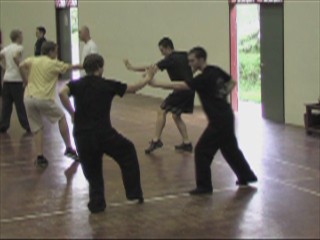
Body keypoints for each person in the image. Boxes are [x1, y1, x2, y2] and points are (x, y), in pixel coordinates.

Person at [148, 47, 257, 195]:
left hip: (218, 120)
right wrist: (222, 94)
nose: (190, 64)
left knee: (201, 151)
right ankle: (246, 176)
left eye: (192, 61)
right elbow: (231, 82)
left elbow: (181, 86)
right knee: (230, 149)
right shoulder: (215, 70)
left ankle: (204, 186)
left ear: (201, 60)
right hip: (226, 115)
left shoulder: (203, 78)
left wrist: (155, 84)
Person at [59, 54, 156, 214]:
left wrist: (72, 113)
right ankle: (134, 193)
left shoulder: (76, 84)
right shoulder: (107, 85)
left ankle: (97, 204)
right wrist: (148, 77)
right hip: (104, 134)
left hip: (82, 135)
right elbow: (133, 88)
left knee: (93, 170)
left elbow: (62, 93)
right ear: (100, 68)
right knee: (127, 151)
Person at [124, 37, 195, 154]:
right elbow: (151, 66)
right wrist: (132, 68)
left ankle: (156, 140)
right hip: (189, 90)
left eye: (162, 50)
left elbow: (151, 68)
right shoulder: (183, 54)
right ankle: (187, 143)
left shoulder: (169, 59)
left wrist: (144, 75)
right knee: (176, 116)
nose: (161, 53)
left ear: (168, 48)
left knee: (161, 111)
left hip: (181, 91)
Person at [19, 41, 81, 167]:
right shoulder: (53, 63)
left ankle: (40, 156)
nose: (57, 54)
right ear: (51, 52)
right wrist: (85, 66)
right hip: (43, 98)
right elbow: (70, 67)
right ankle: (69, 147)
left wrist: (26, 80)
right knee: (61, 117)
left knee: (37, 128)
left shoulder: (33, 60)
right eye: (56, 51)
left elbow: (20, 65)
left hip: (28, 97)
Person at [0, 29, 30, 133]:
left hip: (7, 79)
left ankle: (3, 125)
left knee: (6, 105)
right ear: (18, 37)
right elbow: (16, 57)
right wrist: (25, 79)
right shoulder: (19, 48)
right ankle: (27, 125)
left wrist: (4, 67)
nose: (22, 38)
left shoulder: (6, 48)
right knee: (20, 104)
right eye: (21, 36)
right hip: (16, 80)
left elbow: (1, 56)